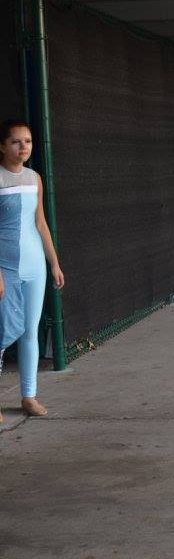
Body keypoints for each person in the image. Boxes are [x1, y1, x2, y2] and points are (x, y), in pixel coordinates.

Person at [0, 121, 64, 423]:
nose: (23, 147)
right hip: (5, 268)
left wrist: (54, 263)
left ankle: (29, 396)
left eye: (27, 141)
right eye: (15, 141)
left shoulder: (35, 178)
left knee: (29, 331)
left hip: (35, 266)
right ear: (2, 146)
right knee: (3, 333)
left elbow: (40, 223)